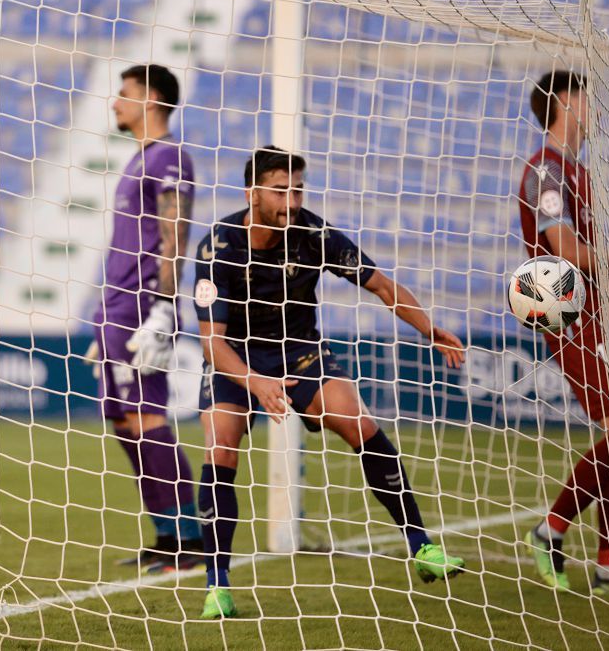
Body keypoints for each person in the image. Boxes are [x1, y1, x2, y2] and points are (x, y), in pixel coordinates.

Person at [192, 145, 467, 619]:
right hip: (237, 358)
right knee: (221, 447)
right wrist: (255, 381)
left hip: (301, 353)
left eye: (298, 190)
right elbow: (211, 344)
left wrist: (428, 328)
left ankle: (422, 546)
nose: (292, 201)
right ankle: (217, 584)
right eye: (281, 191)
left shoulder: (313, 233)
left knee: (359, 423)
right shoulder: (218, 246)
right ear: (251, 193)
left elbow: (380, 284)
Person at [517, 70, 609, 595]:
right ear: (563, 102)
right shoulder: (545, 173)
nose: (595, 105)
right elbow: (563, 251)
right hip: (569, 308)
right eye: (587, 95)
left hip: (605, 308)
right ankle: (550, 528)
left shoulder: (578, 172)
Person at [87, 64, 202, 572]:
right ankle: (164, 534)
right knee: (124, 423)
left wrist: (162, 305)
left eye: (124, 93)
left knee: (147, 417)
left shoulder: (169, 156)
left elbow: (174, 232)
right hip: (115, 306)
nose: (115, 102)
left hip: (142, 304)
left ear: (151, 99)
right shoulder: (137, 160)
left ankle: (191, 540)